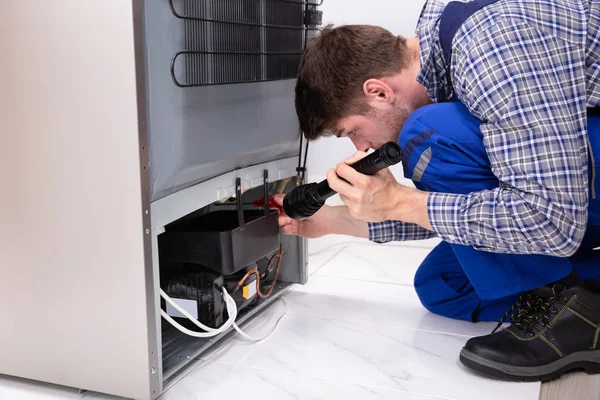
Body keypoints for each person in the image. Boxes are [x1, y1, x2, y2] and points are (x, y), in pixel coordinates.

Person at [274, 0, 600, 382]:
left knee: (429, 133)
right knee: (444, 285)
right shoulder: (446, 62)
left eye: (352, 132)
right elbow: (473, 199)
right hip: (572, 184)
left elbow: (551, 220)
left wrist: (399, 200)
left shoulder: (491, 45)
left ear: (378, 91)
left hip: (562, 202)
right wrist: (336, 221)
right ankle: (581, 299)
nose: (361, 148)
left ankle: (573, 314)